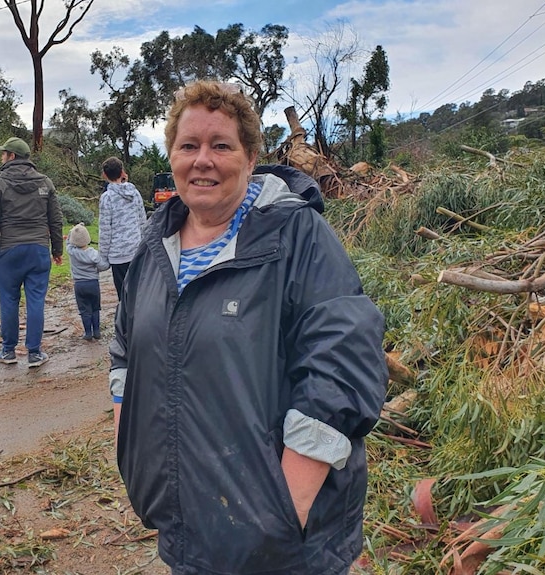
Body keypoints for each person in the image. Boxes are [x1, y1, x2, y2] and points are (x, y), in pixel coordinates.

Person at [108, 80, 388, 574]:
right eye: (188, 146)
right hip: (187, 532)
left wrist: (282, 515)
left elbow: (341, 369)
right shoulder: (154, 248)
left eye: (221, 146)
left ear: (251, 156)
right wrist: (137, 461)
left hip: (285, 547)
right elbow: (125, 352)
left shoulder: (298, 236)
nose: (203, 160)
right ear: (171, 156)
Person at [0, 136, 63, 368]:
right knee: (36, 300)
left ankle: (8, 351)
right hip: (38, 249)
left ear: (12, 156)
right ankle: (35, 353)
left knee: (8, 300)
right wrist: (56, 249)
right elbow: (55, 220)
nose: (1, 157)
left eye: (3, 153)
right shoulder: (45, 183)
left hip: (8, 250)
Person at [98, 156, 147, 301]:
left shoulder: (107, 198)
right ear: (122, 172)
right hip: (136, 251)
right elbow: (142, 221)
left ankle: (126, 321)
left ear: (105, 175)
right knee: (138, 292)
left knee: (123, 296)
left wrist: (103, 256)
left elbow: (105, 229)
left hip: (118, 255)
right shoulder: (135, 193)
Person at [65, 222, 110, 340]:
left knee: (84, 310)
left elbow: (68, 243)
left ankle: (88, 333)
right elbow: (103, 266)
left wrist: (72, 231)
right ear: (88, 238)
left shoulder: (72, 252)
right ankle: (97, 331)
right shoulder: (94, 254)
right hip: (93, 284)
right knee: (95, 308)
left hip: (79, 285)